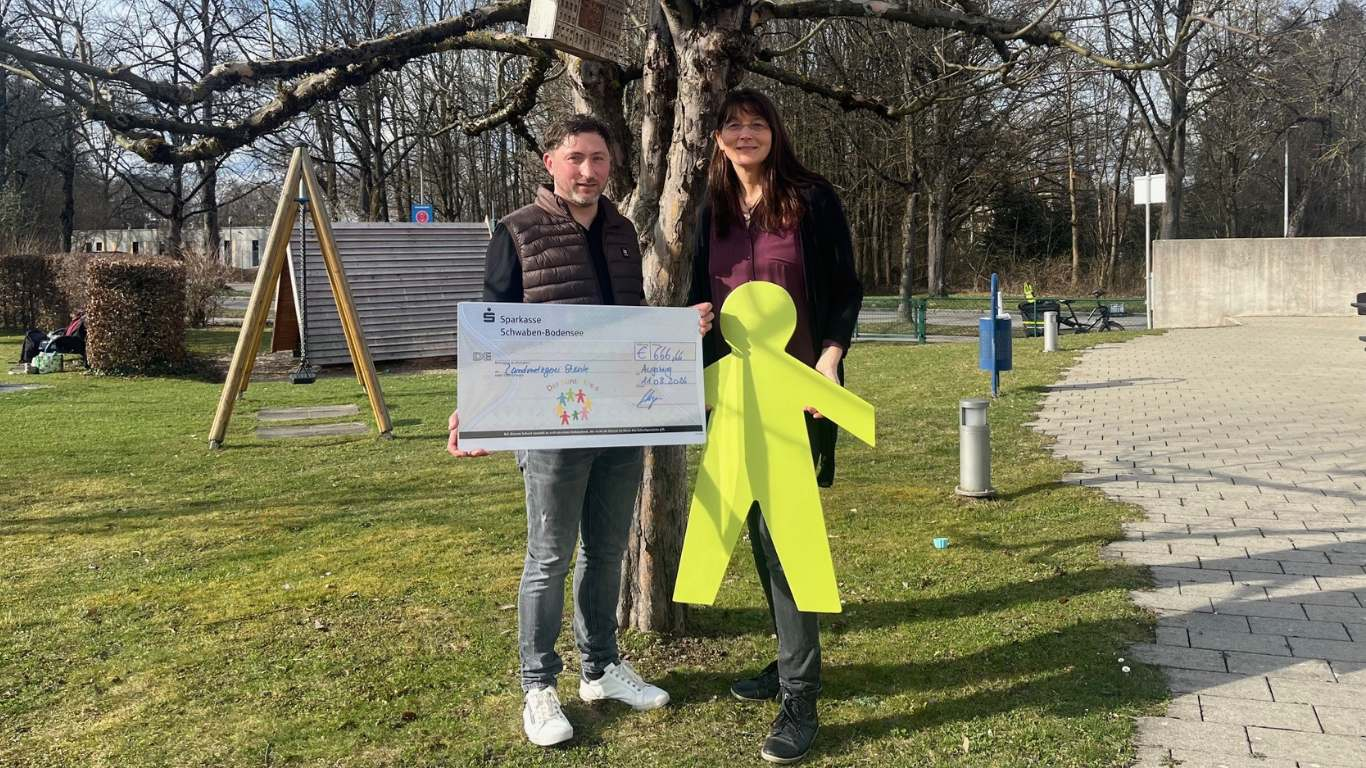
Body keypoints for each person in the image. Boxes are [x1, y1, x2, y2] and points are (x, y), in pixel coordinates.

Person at [447, 114, 714, 748]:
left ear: (611, 166)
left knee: (607, 549)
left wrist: (680, 331)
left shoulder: (623, 232)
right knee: (549, 556)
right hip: (552, 426)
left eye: (598, 159)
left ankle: (600, 669)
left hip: (619, 419)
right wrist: (473, 407)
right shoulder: (516, 231)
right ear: (550, 163)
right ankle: (538, 686)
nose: (587, 171)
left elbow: (630, 321)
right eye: (575, 158)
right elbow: (493, 328)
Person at [686, 89, 863, 764]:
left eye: (756, 123)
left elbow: (844, 289)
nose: (745, 134)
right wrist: (693, 319)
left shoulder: (811, 199)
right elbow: (691, 293)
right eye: (732, 125)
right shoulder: (707, 209)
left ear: (775, 132)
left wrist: (830, 360)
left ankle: (800, 696)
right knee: (759, 533)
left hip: (799, 395)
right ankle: (792, 658)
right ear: (717, 138)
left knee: (787, 539)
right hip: (732, 401)